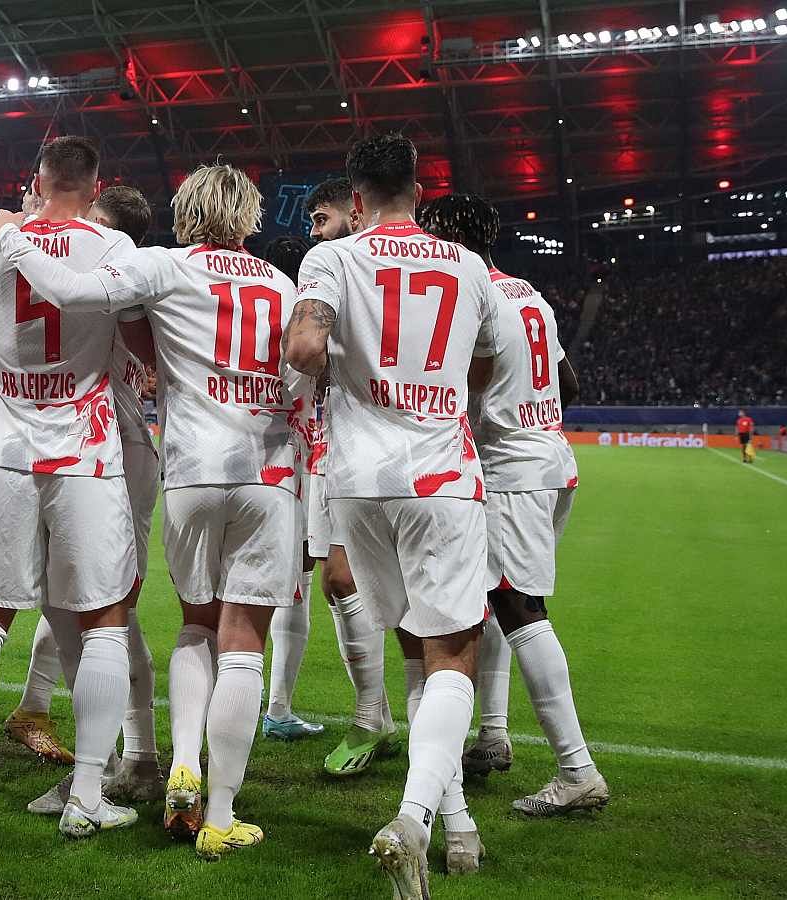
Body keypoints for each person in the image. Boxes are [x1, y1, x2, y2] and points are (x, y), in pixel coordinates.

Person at [0, 162, 306, 861]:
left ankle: (180, 757)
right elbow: (304, 377)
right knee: (245, 641)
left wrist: (12, 239)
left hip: (192, 470)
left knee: (196, 625)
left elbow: (74, 291)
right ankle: (219, 812)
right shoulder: (283, 286)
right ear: (250, 218)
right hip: (270, 471)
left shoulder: (163, 266)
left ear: (187, 210)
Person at [283, 133, 498, 899]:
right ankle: (411, 820)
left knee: (414, 647)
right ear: (418, 188)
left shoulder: (333, 259)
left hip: (357, 481)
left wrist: (342, 370)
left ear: (359, 199)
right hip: (440, 474)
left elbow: (306, 344)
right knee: (454, 655)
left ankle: (459, 820)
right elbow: (491, 359)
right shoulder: (469, 266)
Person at [0, 182, 165, 809]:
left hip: (28, 445)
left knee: (1, 608)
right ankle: (109, 768)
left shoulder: (5, 253)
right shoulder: (115, 265)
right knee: (100, 615)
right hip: (98, 449)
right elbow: (152, 353)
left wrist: (6, 236)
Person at [422, 196, 608, 837]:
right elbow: (570, 383)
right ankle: (494, 737)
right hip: (552, 458)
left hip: (507, 469)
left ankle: (578, 771)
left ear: (446, 236)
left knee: (521, 610)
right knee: (498, 602)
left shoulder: (470, 295)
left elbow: (455, 383)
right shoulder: (529, 293)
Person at [304, 177, 397, 775]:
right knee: (337, 580)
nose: (313, 230)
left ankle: (385, 718)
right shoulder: (338, 270)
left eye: (322, 217)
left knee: (361, 583)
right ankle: (377, 716)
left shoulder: (359, 269)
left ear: (354, 211)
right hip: (336, 448)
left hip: (385, 447)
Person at [255, 235, 326, 743]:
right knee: (294, 586)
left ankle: (225, 700)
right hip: (293, 466)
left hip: (231, 457)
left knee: (225, 594)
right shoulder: (302, 326)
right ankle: (277, 706)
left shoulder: (245, 316)